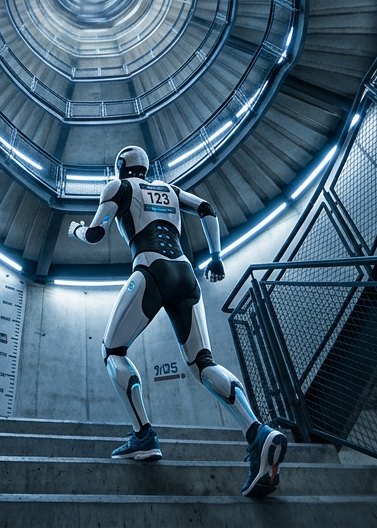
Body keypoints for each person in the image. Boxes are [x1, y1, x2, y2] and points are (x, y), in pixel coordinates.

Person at [68, 145, 288, 498]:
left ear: (122, 167)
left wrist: (77, 231)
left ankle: (143, 436)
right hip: (186, 274)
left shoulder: (119, 187)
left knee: (113, 351)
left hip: (150, 269)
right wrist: (215, 256)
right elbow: (207, 209)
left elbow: (97, 234)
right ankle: (258, 432)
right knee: (203, 362)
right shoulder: (170, 190)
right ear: (147, 166)